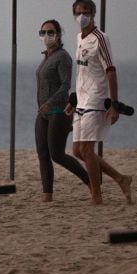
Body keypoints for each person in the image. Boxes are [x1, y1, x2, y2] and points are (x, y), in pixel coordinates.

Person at [64, 0, 133, 205]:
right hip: (82, 101)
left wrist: (114, 104)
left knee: (87, 150)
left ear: (93, 14)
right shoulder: (79, 38)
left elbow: (111, 71)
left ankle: (96, 196)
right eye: (78, 13)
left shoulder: (100, 38)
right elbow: (82, 73)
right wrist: (73, 101)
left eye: (85, 12)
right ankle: (121, 178)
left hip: (96, 99)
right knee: (78, 151)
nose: (82, 16)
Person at [34, 19, 89, 201]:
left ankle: (91, 182)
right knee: (43, 154)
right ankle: (47, 194)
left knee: (57, 154)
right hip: (43, 114)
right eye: (43, 33)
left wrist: (50, 102)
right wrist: (43, 106)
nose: (47, 36)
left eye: (50, 32)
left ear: (58, 34)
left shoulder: (63, 57)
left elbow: (65, 85)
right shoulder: (46, 57)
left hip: (58, 111)